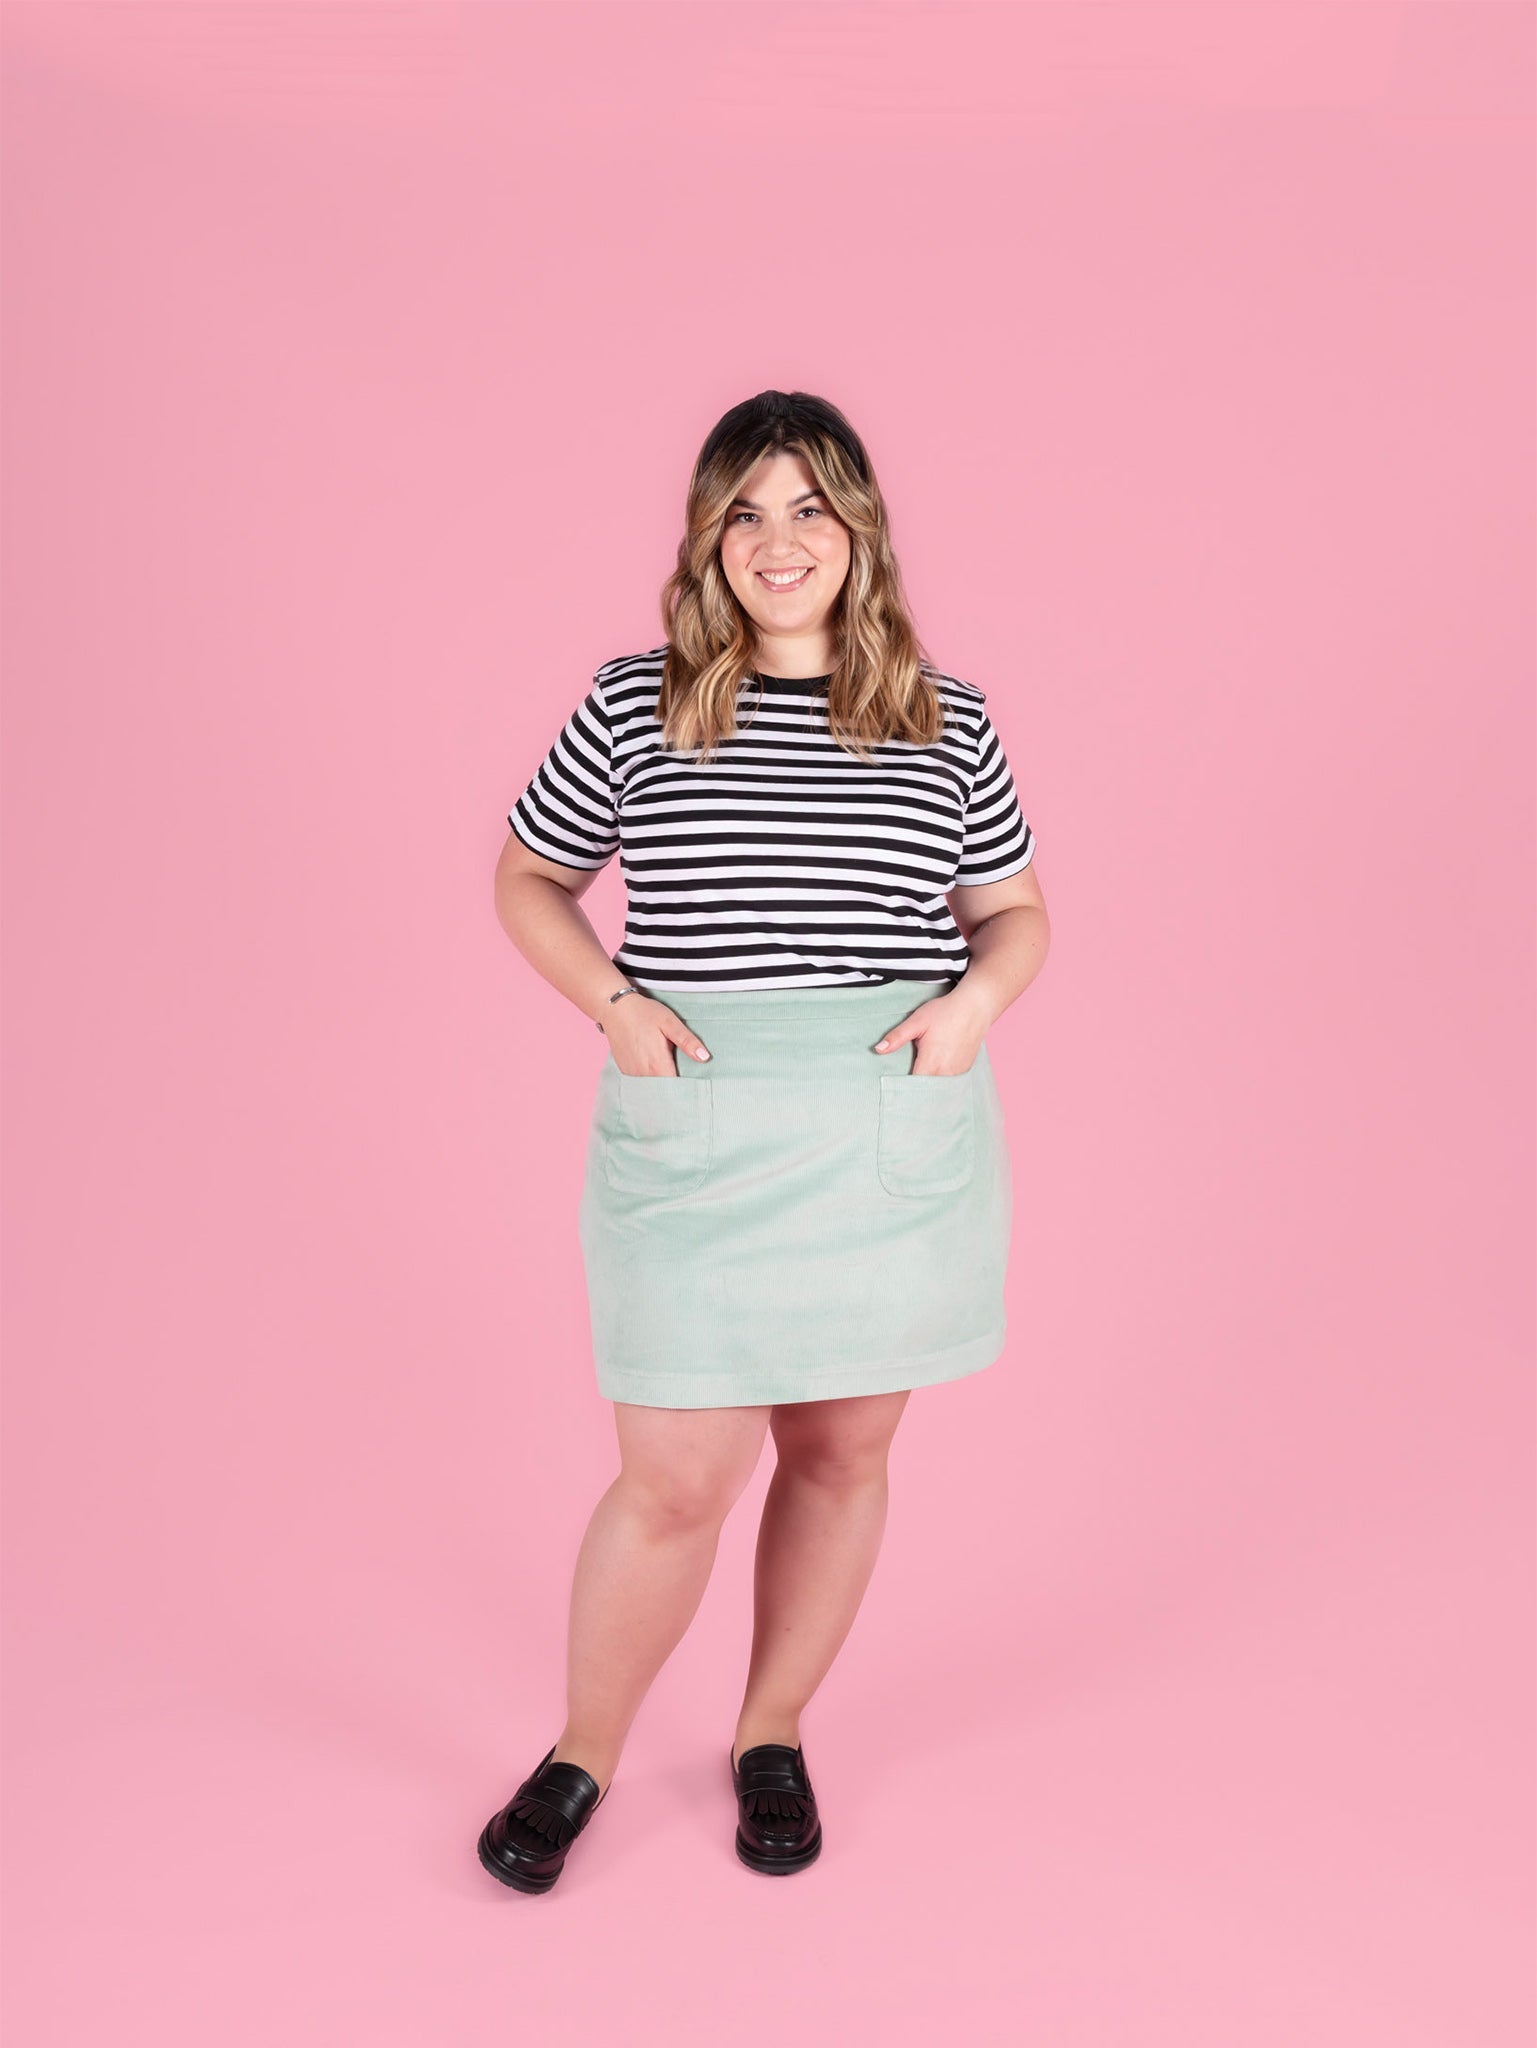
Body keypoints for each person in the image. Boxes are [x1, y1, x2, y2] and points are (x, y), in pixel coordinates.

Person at [477, 389, 1051, 1892]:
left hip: (884, 1126)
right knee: (672, 1478)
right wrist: (613, 1004)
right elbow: (528, 878)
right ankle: (583, 1750)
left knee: (842, 1452)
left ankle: (771, 1731)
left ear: (859, 531)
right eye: (744, 512)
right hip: (699, 1124)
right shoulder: (639, 702)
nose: (777, 541)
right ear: (706, 538)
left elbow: (1012, 912)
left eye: (808, 509)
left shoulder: (945, 716)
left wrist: (974, 1006)